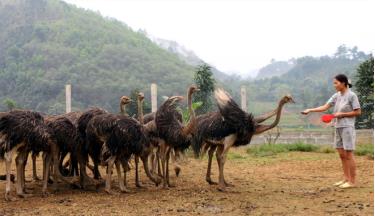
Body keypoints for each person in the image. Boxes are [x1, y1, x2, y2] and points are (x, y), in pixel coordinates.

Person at [301, 74, 361, 189]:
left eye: (336, 83)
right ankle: (346, 179)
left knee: (348, 154)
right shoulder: (336, 95)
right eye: (334, 83)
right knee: (341, 155)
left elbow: (358, 112)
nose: (334, 85)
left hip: (347, 127)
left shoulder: (352, 96)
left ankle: (352, 181)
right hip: (337, 126)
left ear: (343, 83)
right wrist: (310, 110)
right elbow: (324, 107)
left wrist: (342, 114)